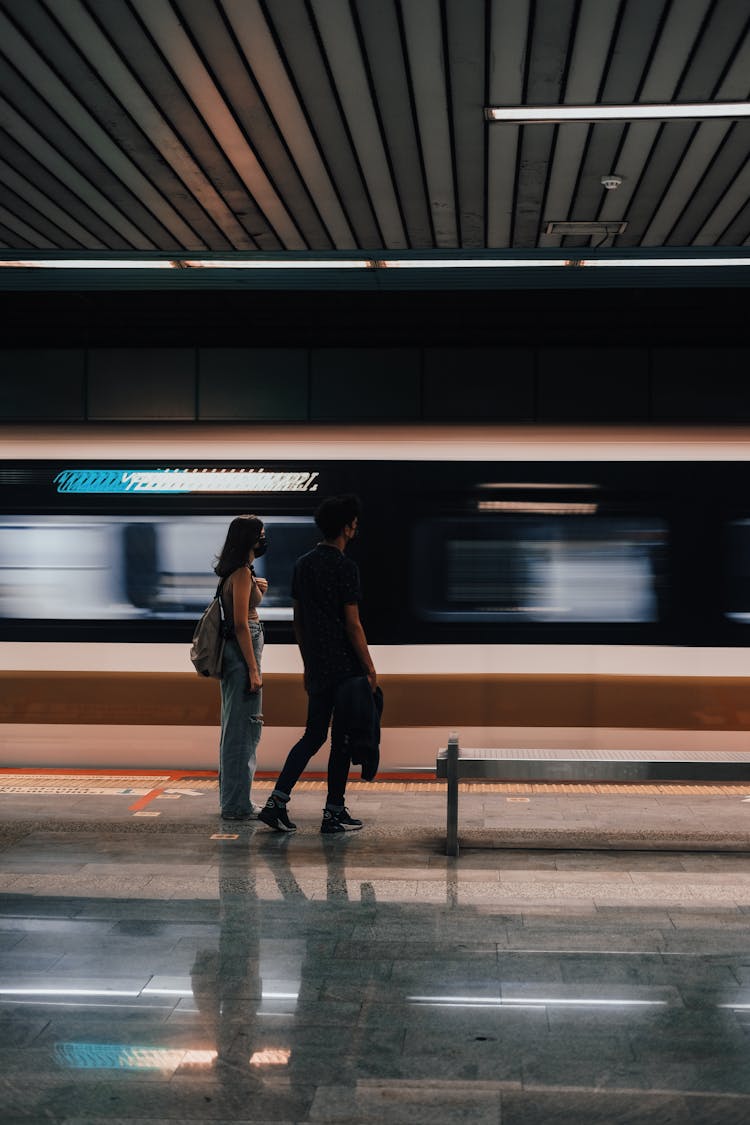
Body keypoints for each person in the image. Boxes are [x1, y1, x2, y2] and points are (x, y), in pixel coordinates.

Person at [258, 494, 377, 834]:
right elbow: (352, 623)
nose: (356, 528)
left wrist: (309, 661)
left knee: (312, 735)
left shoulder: (303, 564)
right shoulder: (345, 567)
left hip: (319, 665)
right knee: (341, 740)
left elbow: (298, 621)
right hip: (346, 668)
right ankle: (333, 812)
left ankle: (276, 803)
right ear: (345, 527)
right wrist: (369, 667)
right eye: (353, 523)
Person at [214, 514, 268, 821]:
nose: (264, 540)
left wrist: (259, 589)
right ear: (249, 540)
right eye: (261, 534)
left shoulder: (237, 573)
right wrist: (253, 670)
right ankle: (236, 805)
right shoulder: (241, 575)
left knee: (236, 729)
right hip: (243, 655)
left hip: (238, 656)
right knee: (243, 732)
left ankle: (232, 800)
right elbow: (240, 624)